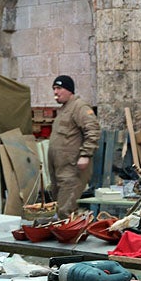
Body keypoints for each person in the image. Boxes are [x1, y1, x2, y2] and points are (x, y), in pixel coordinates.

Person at [46, 75, 100, 219]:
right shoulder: (64, 109)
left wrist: (85, 155)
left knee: (65, 210)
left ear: (69, 90)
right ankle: (65, 235)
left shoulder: (79, 107)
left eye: (59, 88)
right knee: (60, 208)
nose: (55, 92)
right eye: (54, 89)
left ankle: (70, 238)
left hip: (72, 170)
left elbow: (93, 130)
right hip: (60, 169)